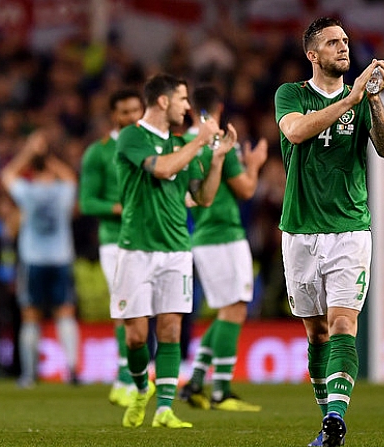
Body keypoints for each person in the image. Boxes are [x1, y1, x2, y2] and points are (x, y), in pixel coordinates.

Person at [274, 17, 384, 447]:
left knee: (343, 323)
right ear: (313, 55)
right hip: (300, 230)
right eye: (332, 42)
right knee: (316, 332)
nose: (343, 47)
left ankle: (335, 421)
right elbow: (295, 130)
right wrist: (352, 99)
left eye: (345, 40)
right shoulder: (291, 95)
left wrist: (374, 101)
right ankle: (327, 414)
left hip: (349, 227)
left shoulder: (360, 99)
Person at [112, 73, 237, 429]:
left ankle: (165, 409)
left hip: (176, 250)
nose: (188, 107)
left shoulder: (181, 144)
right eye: (183, 100)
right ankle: (140, 389)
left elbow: (204, 198)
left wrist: (216, 160)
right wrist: (200, 141)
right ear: (163, 101)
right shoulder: (132, 137)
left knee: (170, 331)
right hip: (135, 250)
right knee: (136, 336)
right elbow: (163, 169)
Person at [178, 85, 267, 412]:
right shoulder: (219, 142)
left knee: (226, 312)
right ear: (219, 107)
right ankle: (222, 391)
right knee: (236, 309)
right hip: (226, 236)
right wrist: (254, 164)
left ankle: (197, 381)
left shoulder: (184, 145)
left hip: (200, 235)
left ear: (190, 109)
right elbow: (245, 190)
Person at [78, 88, 144, 407]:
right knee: (124, 308)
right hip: (114, 241)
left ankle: (135, 374)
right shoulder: (97, 153)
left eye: (136, 111)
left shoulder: (152, 146)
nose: (132, 117)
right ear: (114, 116)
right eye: (125, 112)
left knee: (145, 309)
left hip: (149, 239)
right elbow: (86, 202)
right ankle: (123, 378)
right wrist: (119, 208)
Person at [0, 130, 80, 388]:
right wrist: (49, 157)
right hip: (60, 259)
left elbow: (7, 175)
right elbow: (70, 177)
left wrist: (30, 151)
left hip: (33, 260)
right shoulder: (62, 191)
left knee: (30, 317)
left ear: (33, 172)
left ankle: (29, 375)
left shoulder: (28, 192)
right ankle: (71, 371)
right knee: (65, 314)